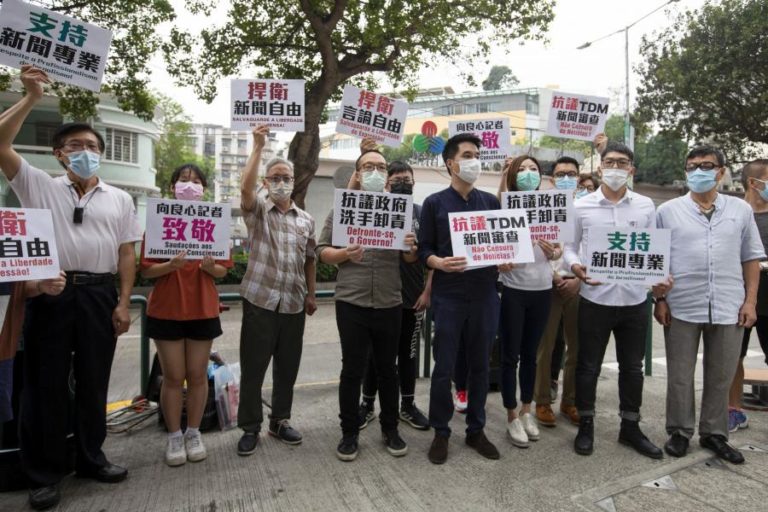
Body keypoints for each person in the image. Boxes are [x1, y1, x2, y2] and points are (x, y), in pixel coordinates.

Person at [0, 65, 142, 510]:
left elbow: (125, 254)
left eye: (93, 146)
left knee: (95, 379)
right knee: (44, 384)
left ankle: (91, 458)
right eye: (76, 146)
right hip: (51, 294)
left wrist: (122, 302)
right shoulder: (38, 186)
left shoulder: (119, 198)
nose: (86, 152)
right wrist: (29, 97)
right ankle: (42, 473)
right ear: (59, 154)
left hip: (100, 295)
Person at [655, 146, 764, 464]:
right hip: (681, 306)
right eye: (691, 167)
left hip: (729, 305)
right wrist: (659, 298)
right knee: (679, 374)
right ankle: (679, 431)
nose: (698, 172)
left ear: (721, 172)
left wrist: (750, 301)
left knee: (721, 374)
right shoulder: (668, 211)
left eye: (705, 166)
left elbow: (751, 258)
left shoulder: (740, 211)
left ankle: (715, 433)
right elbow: (657, 260)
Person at [564, 141, 665, 459]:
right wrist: (574, 265)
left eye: (622, 163)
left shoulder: (646, 206)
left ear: (632, 170)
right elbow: (569, 246)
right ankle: (587, 424)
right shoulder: (581, 206)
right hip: (595, 298)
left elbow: (654, 251)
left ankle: (630, 428)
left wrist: (660, 278)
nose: (616, 168)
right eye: (610, 162)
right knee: (588, 366)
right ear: (599, 167)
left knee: (632, 368)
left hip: (635, 300)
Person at [317, 148, 417, 461]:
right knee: (353, 369)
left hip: (389, 300)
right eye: (368, 166)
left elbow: (410, 257)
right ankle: (349, 432)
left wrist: (411, 246)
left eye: (381, 167)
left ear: (387, 175)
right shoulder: (341, 208)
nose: (375, 171)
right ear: (358, 174)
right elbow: (322, 251)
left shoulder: (400, 210)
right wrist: (345, 254)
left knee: (388, 369)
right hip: (352, 300)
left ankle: (390, 428)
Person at [140, 164, 232, 466]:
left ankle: (194, 432)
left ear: (203, 190)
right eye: (183, 180)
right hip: (166, 310)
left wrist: (209, 267)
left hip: (202, 310)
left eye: (196, 182)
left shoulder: (214, 224)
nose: (189, 186)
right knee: (173, 377)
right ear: (172, 187)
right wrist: (170, 266)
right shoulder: (158, 223)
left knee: (196, 376)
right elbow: (148, 270)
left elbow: (221, 270)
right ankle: (174, 435)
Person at [419, 133, 501, 464]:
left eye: (477, 154)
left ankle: (476, 430)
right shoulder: (434, 203)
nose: (474, 161)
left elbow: (500, 247)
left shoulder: (491, 203)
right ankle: (441, 431)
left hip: (484, 294)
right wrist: (437, 262)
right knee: (444, 368)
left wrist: (506, 258)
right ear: (451, 163)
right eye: (467, 155)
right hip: (449, 296)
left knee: (481, 366)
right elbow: (424, 249)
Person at [236, 125, 317, 456]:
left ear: (294, 181)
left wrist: (312, 294)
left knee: (288, 368)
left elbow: (310, 259)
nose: (282, 182)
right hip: (260, 302)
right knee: (253, 370)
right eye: (275, 177)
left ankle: (280, 420)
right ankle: (250, 427)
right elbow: (244, 191)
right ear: (266, 183)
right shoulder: (258, 211)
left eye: (286, 176)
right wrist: (258, 148)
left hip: (294, 306)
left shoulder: (305, 220)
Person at [359, 160, 432, 431]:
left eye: (407, 179)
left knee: (408, 355)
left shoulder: (422, 212)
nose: (403, 183)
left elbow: (431, 255)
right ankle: (367, 405)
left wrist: (427, 291)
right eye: (397, 179)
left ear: (414, 182)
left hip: (413, 298)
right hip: (380, 297)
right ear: (387, 184)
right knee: (376, 357)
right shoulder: (376, 209)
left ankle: (408, 405)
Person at [496, 155, 559, 447]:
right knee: (510, 356)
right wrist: (501, 262)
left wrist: (555, 253)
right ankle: (511, 415)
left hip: (543, 290)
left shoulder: (550, 208)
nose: (528, 174)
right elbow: (493, 245)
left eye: (533, 169)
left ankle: (526, 410)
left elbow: (559, 248)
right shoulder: (505, 205)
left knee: (531, 355)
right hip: (513, 291)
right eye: (522, 170)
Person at [534, 157, 583, 428]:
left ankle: (570, 401)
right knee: (546, 346)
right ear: (552, 179)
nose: (567, 178)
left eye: (572, 174)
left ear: (579, 177)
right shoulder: (542, 206)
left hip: (578, 284)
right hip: (548, 283)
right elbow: (534, 244)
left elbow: (591, 247)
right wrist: (552, 274)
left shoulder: (587, 207)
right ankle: (542, 401)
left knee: (576, 348)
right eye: (561, 174)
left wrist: (578, 278)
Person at [728, 159, 768, 431]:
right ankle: (733, 410)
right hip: (736, 295)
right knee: (732, 357)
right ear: (754, 183)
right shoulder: (733, 213)